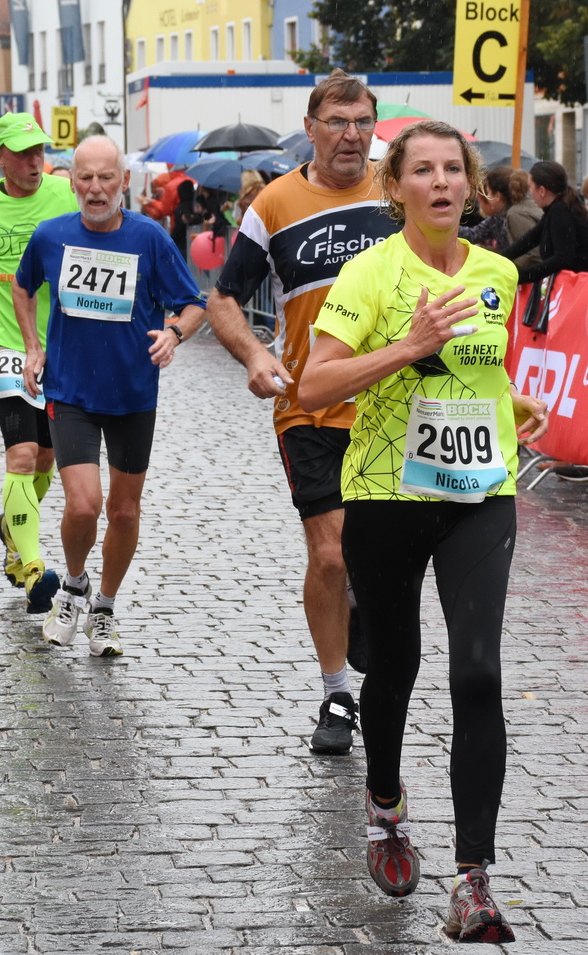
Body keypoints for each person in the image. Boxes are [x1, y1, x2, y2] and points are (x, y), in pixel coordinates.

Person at [299, 119, 547, 938]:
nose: (440, 182)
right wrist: (408, 345)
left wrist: (512, 404)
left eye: (453, 169)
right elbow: (315, 380)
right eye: (423, 170)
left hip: (481, 488)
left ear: (471, 186)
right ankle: (386, 805)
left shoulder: (498, 273)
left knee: (478, 671)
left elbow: (481, 368)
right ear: (396, 186)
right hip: (386, 491)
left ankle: (473, 878)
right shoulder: (370, 273)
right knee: (396, 664)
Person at [207, 69, 400, 756]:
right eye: (337, 122)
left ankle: (363, 609)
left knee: (375, 552)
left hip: (396, 405)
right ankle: (336, 694)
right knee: (328, 552)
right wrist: (256, 357)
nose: (351, 135)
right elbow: (224, 297)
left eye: (362, 121)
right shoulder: (276, 203)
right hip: (310, 405)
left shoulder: (400, 188)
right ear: (311, 128)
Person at [11, 136, 207, 655]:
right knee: (83, 505)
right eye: (85, 178)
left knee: (123, 512)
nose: (95, 189)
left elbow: (193, 303)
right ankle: (73, 585)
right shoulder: (51, 235)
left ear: (124, 180)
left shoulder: (149, 238)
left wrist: (174, 334)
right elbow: (22, 286)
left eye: (105, 178)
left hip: (132, 392)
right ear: (70, 181)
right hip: (70, 390)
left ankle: (104, 608)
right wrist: (33, 347)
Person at [0, 113, 79, 613]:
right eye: (22, 152)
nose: (34, 161)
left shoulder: (64, 195)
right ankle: (31, 569)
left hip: (62, 343)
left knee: (47, 460)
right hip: (6, 340)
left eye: (39, 151)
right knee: (22, 456)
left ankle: (10, 526)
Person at [497, 160, 588, 283]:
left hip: (578, 284)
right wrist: (496, 260)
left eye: (530, 187)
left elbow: (562, 259)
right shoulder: (556, 208)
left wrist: (520, 276)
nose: (530, 193)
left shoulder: (561, 211)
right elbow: (530, 240)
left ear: (542, 191)